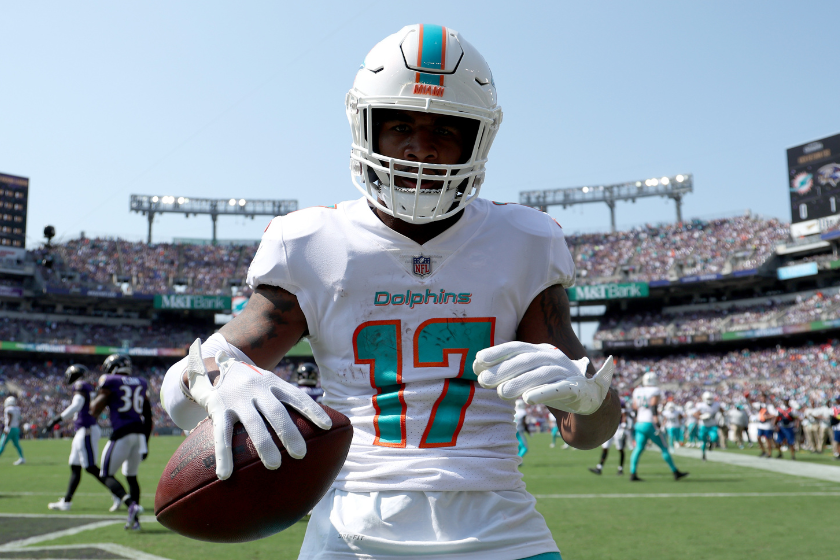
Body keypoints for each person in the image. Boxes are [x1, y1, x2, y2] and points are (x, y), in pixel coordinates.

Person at [160, 24, 620, 560]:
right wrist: (217, 381)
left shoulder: (525, 240)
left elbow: (589, 433)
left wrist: (590, 398)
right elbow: (184, 392)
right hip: (350, 530)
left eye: (445, 130)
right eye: (400, 124)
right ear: (366, 126)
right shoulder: (311, 242)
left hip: (500, 529)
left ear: (478, 139)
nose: (419, 148)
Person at [91, 354, 152, 530]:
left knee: (105, 474)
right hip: (140, 435)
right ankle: (136, 522)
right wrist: (146, 443)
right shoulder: (141, 382)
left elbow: (96, 409)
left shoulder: (110, 381)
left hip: (122, 433)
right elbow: (148, 417)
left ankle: (130, 505)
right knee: (131, 477)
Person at [47, 364, 116, 511]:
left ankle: (118, 494)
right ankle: (67, 501)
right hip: (83, 430)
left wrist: (57, 419)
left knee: (91, 467)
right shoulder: (87, 386)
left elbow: (76, 405)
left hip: (87, 430)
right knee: (75, 466)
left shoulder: (80, 385)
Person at [628, 372, 688, 481]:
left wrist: (636, 421)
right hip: (650, 423)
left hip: (639, 423)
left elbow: (635, 407)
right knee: (664, 448)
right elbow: (653, 407)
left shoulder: (637, 390)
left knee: (638, 448)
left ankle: (633, 473)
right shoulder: (654, 390)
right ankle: (675, 471)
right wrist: (657, 423)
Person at [589, 401, 631, 475]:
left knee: (620, 449)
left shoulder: (620, 402)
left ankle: (620, 469)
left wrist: (623, 426)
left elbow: (624, 414)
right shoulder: (605, 402)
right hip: (609, 427)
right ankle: (599, 468)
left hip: (618, 427)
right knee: (605, 447)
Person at [694, 391, 721, 461]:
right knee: (703, 441)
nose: (709, 400)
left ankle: (711, 444)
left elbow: (722, 411)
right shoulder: (700, 405)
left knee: (715, 437)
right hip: (703, 425)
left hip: (712, 425)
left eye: (710, 398)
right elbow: (695, 414)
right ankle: (703, 454)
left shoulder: (716, 405)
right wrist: (701, 417)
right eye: (707, 399)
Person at [0, 395, 25, 464]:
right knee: (16, 444)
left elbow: (9, 419)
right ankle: (22, 458)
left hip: (9, 429)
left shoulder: (8, 409)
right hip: (16, 428)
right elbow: (20, 418)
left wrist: (7, 428)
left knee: (2, 444)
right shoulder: (17, 409)